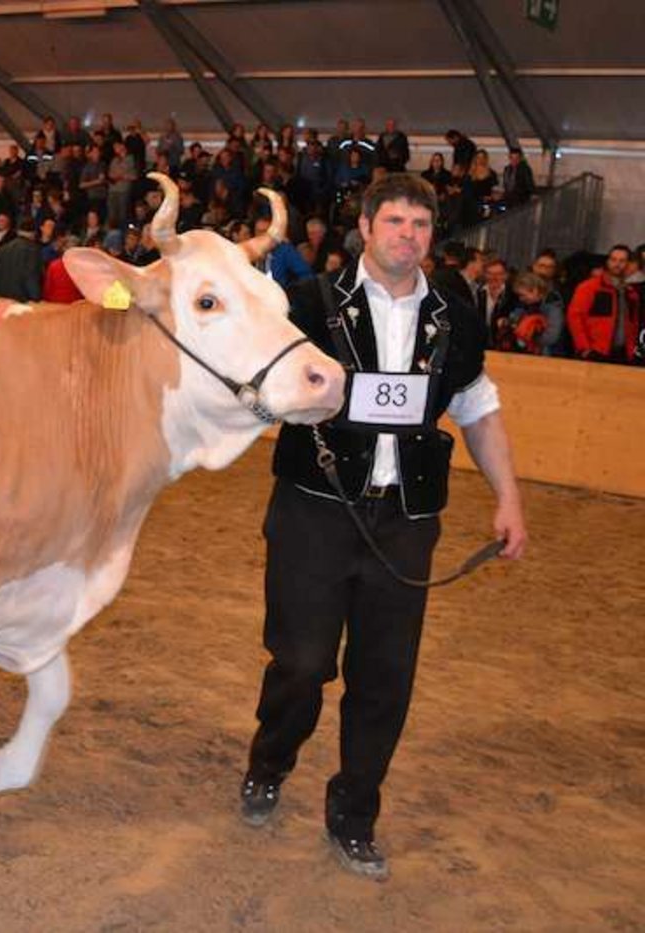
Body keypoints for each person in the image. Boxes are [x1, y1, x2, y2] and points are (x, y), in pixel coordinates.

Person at [240, 173, 527, 880]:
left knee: (385, 676)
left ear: (433, 234)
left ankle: (355, 811)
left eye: (421, 225)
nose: (408, 235)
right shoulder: (309, 303)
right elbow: (259, 395)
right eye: (395, 220)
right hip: (314, 509)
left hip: (406, 519)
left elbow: (477, 407)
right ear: (365, 227)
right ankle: (270, 759)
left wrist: (509, 498)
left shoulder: (454, 314)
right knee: (302, 662)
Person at [567, 244, 641, 363]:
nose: (617, 264)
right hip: (595, 352)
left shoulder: (631, 294)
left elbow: (634, 325)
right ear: (607, 261)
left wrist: (632, 351)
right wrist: (584, 348)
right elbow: (575, 318)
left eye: (622, 261)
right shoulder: (589, 287)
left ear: (628, 264)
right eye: (613, 259)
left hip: (622, 354)